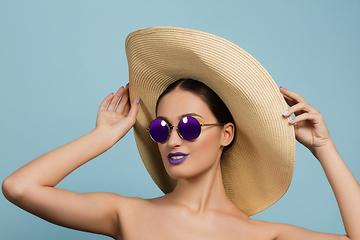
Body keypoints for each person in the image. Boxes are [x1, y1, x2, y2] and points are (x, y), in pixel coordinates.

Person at [2, 27, 360, 240]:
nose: (173, 139)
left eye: (189, 126)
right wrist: (102, 138)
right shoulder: (125, 214)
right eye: (161, 128)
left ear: (226, 133)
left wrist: (324, 148)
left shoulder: (264, 235)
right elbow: (19, 188)